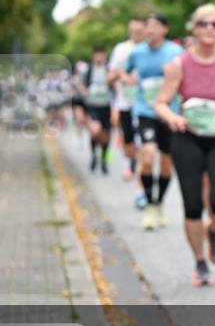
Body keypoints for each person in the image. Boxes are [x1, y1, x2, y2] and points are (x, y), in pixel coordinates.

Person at [154, 4, 215, 287]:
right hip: (188, 138)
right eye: (203, 24)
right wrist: (172, 117)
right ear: (194, 29)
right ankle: (200, 262)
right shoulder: (180, 64)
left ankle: (214, 230)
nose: (209, 29)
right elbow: (160, 103)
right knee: (192, 205)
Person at [121, 13, 184, 231]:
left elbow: (187, 77)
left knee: (166, 163)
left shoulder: (176, 52)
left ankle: (159, 203)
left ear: (165, 30)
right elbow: (124, 71)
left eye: (155, 26)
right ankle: (149, 204)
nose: (150, 30)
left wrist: (173, 75)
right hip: (144, 110)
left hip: (168, 113)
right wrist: (127, 79)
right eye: (148, 25)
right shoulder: (137, 52)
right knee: (147, 158)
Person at [108, 18, 147, 203]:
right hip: (125, 104)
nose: (136, 33)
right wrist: (121, 77)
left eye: (140, 30)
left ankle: (141, 190)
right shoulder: (121, 49)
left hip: (145, 107)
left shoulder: (149, 49)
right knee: (130, 147)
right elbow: (111, 75)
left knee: (145, 148)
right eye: (133, 31)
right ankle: (131, 162)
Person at [78, 44, 114, 174]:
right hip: (92, 106)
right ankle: (94, 155)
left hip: (107, 106)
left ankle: (104, 160)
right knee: (95, 130)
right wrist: (85, 92)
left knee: (106, 135)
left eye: (101, 54)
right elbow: (80, 83)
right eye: (97, 54)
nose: (99, 57)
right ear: (93, 56)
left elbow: (115, 85)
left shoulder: (109, 68)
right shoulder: (87, 69)